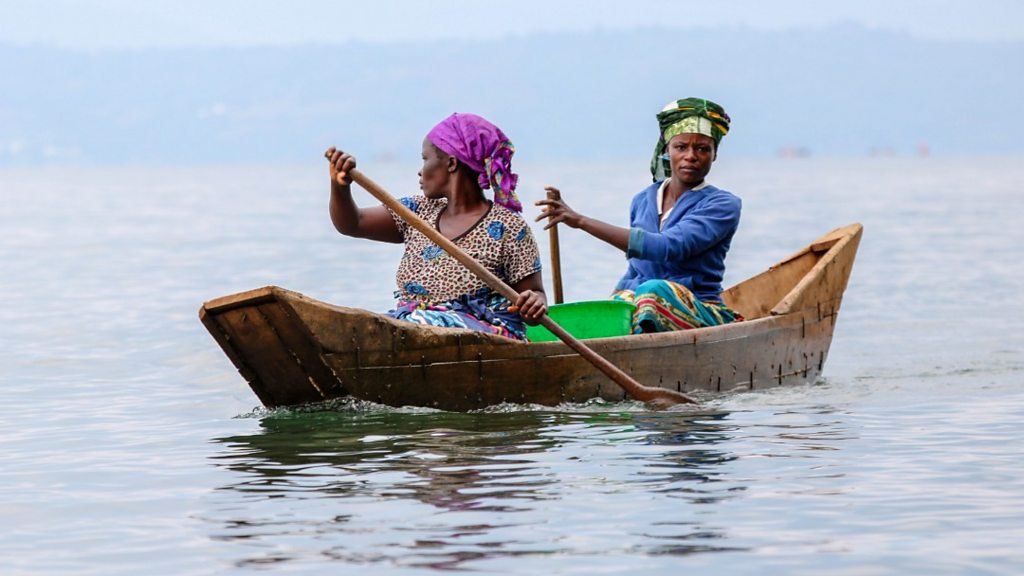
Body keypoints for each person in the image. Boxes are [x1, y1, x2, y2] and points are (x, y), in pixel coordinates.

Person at [324, 112, 547, 341]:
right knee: (359, 330)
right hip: (411, 329)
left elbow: (535, 296)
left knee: (417, 325)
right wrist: (339, 186)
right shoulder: (416, 212)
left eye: (425, 159)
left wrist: (533, 303)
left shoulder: (508, 227)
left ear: (451, 163)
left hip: (486, 335)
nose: (420, 171)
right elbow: (353, 223)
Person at [536, 97, 742, 334]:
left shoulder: (723, 204)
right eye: (681, 147)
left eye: (703, 149)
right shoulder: (643, 200)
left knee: (653, 291)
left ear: (714, 154)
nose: (691, 156)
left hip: (698, 311)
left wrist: (581, 222)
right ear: (667, 150)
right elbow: (636, 270)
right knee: (621, 302)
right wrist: (611, 307)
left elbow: (668, 247)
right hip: (645, 304)